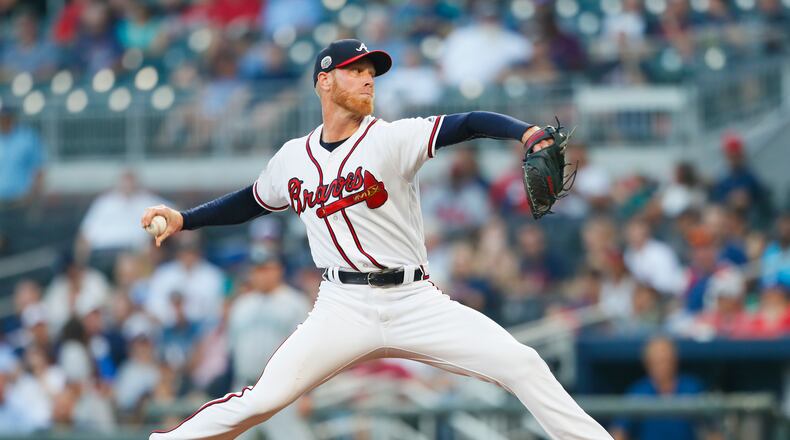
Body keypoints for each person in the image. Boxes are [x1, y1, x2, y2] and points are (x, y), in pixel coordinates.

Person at [142, 39, 612, 439]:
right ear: (324, 82)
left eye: (372, 72)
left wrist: (526, 131)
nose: (369, 79)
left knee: (523, 364)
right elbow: (252, 200)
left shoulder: (392, 138)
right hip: (341, 306)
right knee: (261, 400)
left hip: (415, 300)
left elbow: (466, 122)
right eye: (356, 71)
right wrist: (185, 220)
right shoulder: (293, 158)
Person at [227, 249, 313, 440]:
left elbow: (308, 351)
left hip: (282, 390)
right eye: (257, 270)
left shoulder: (295, 303)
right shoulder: (241, 306)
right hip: (245, 387)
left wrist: (307, 394)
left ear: (279, 270)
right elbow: (232, 354)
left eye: (267, 269)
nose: (262, 275)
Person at [611, 336, 704, 440]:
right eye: (656, 361)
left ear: (674, 360)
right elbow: (619, 432)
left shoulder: (691, 388)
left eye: (665, 360)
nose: (662, 366)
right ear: (647, 363)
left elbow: (711, 431)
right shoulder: (638, 392)